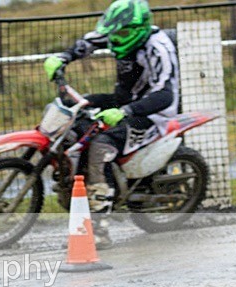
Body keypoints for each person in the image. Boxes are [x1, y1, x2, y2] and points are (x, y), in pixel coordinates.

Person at [43, 0, 179, 248]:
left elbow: (165, 95)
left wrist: (126, 111)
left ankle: (99, 230)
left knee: (100, 147)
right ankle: (80, 180)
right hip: (123, 101)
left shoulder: (158, 48)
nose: (115, 40)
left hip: (152, 113)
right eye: (112, 34)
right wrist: (63, 57)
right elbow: (89, 43)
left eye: (122, 34)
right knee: (79, 112)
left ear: (140, 29)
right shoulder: (120, 33)